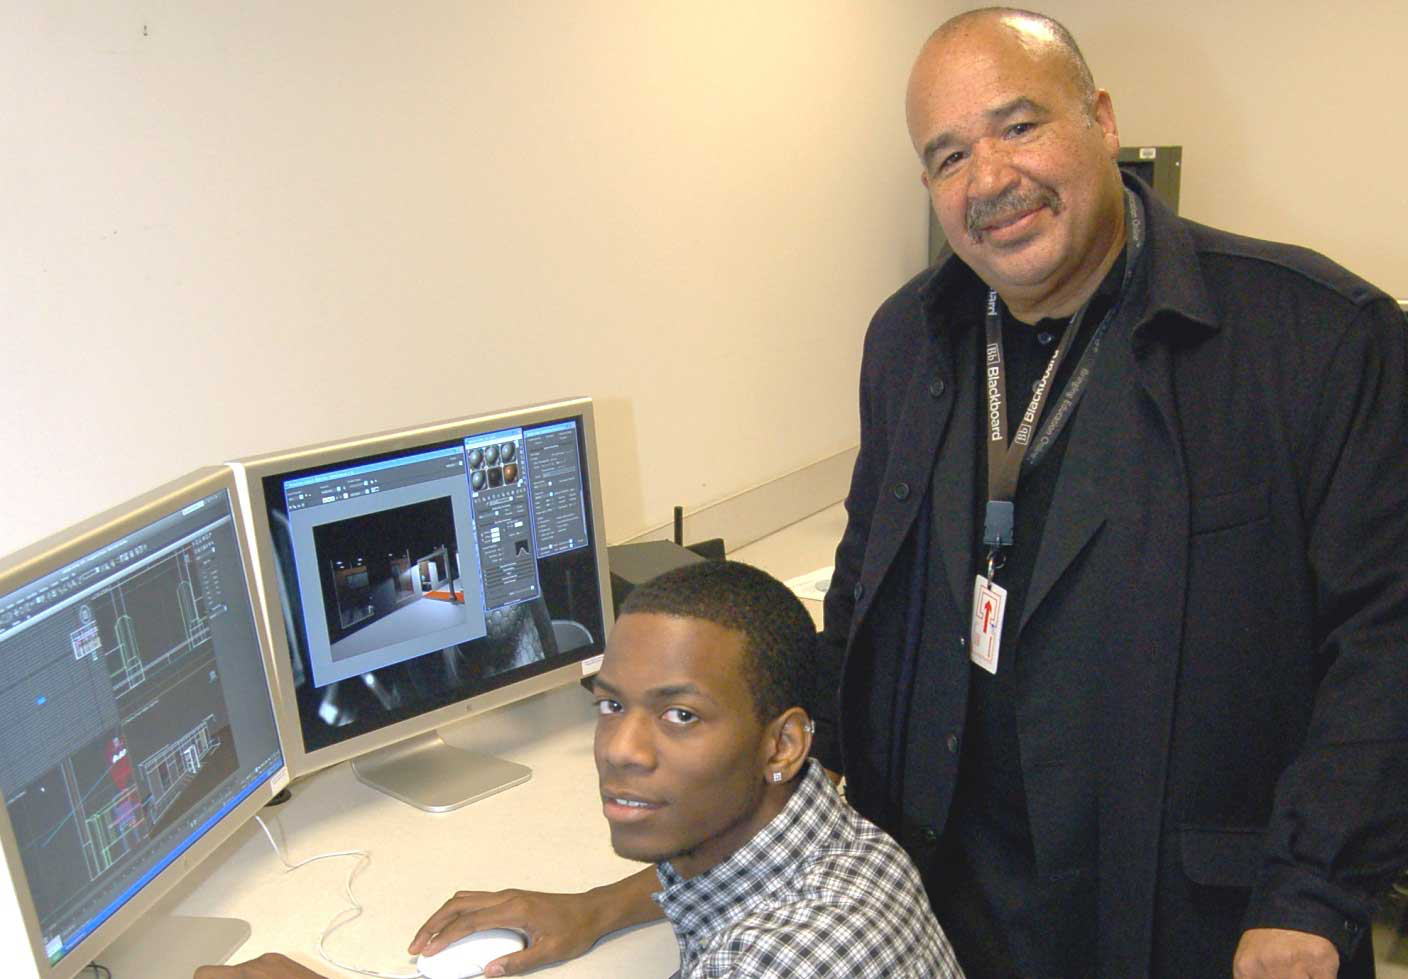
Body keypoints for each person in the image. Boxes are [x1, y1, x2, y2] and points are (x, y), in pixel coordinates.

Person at [809, 7, 1408, 979]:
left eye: (1018, 125)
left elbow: (1387, 643)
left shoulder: (1320, 340)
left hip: (1201, 920)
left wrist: (1312, 892)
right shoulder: (911, 339)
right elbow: (861, 584)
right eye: (949, 154)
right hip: (944, 901)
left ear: (1101, 117)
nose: (990, 180)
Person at [193, 561, 959, 979]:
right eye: (609, 704)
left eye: (680, 714)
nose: (622, 748)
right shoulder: (839, 837)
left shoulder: (772, 958)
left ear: (783, 745)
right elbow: (730, 870)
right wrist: (594, 908)